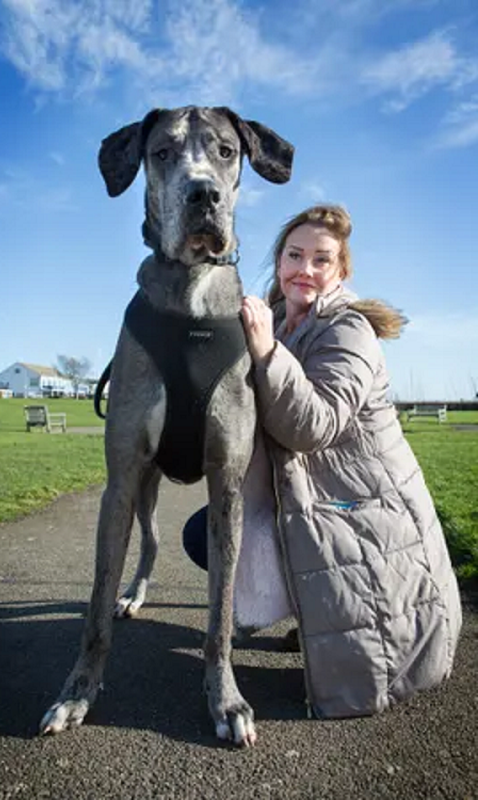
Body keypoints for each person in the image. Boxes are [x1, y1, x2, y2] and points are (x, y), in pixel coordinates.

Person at [183, 204, 462, 719]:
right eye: (295, 255)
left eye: (321, 260)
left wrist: (267, 354)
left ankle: (317, 610)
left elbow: (313, 427)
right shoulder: (275, 317)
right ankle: (303, 606)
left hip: (362, 514)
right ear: (279, 259)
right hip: (311, 497)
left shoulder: (348, 330)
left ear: (341, 271)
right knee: (206, 531)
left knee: (221, 537)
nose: (304, 270)